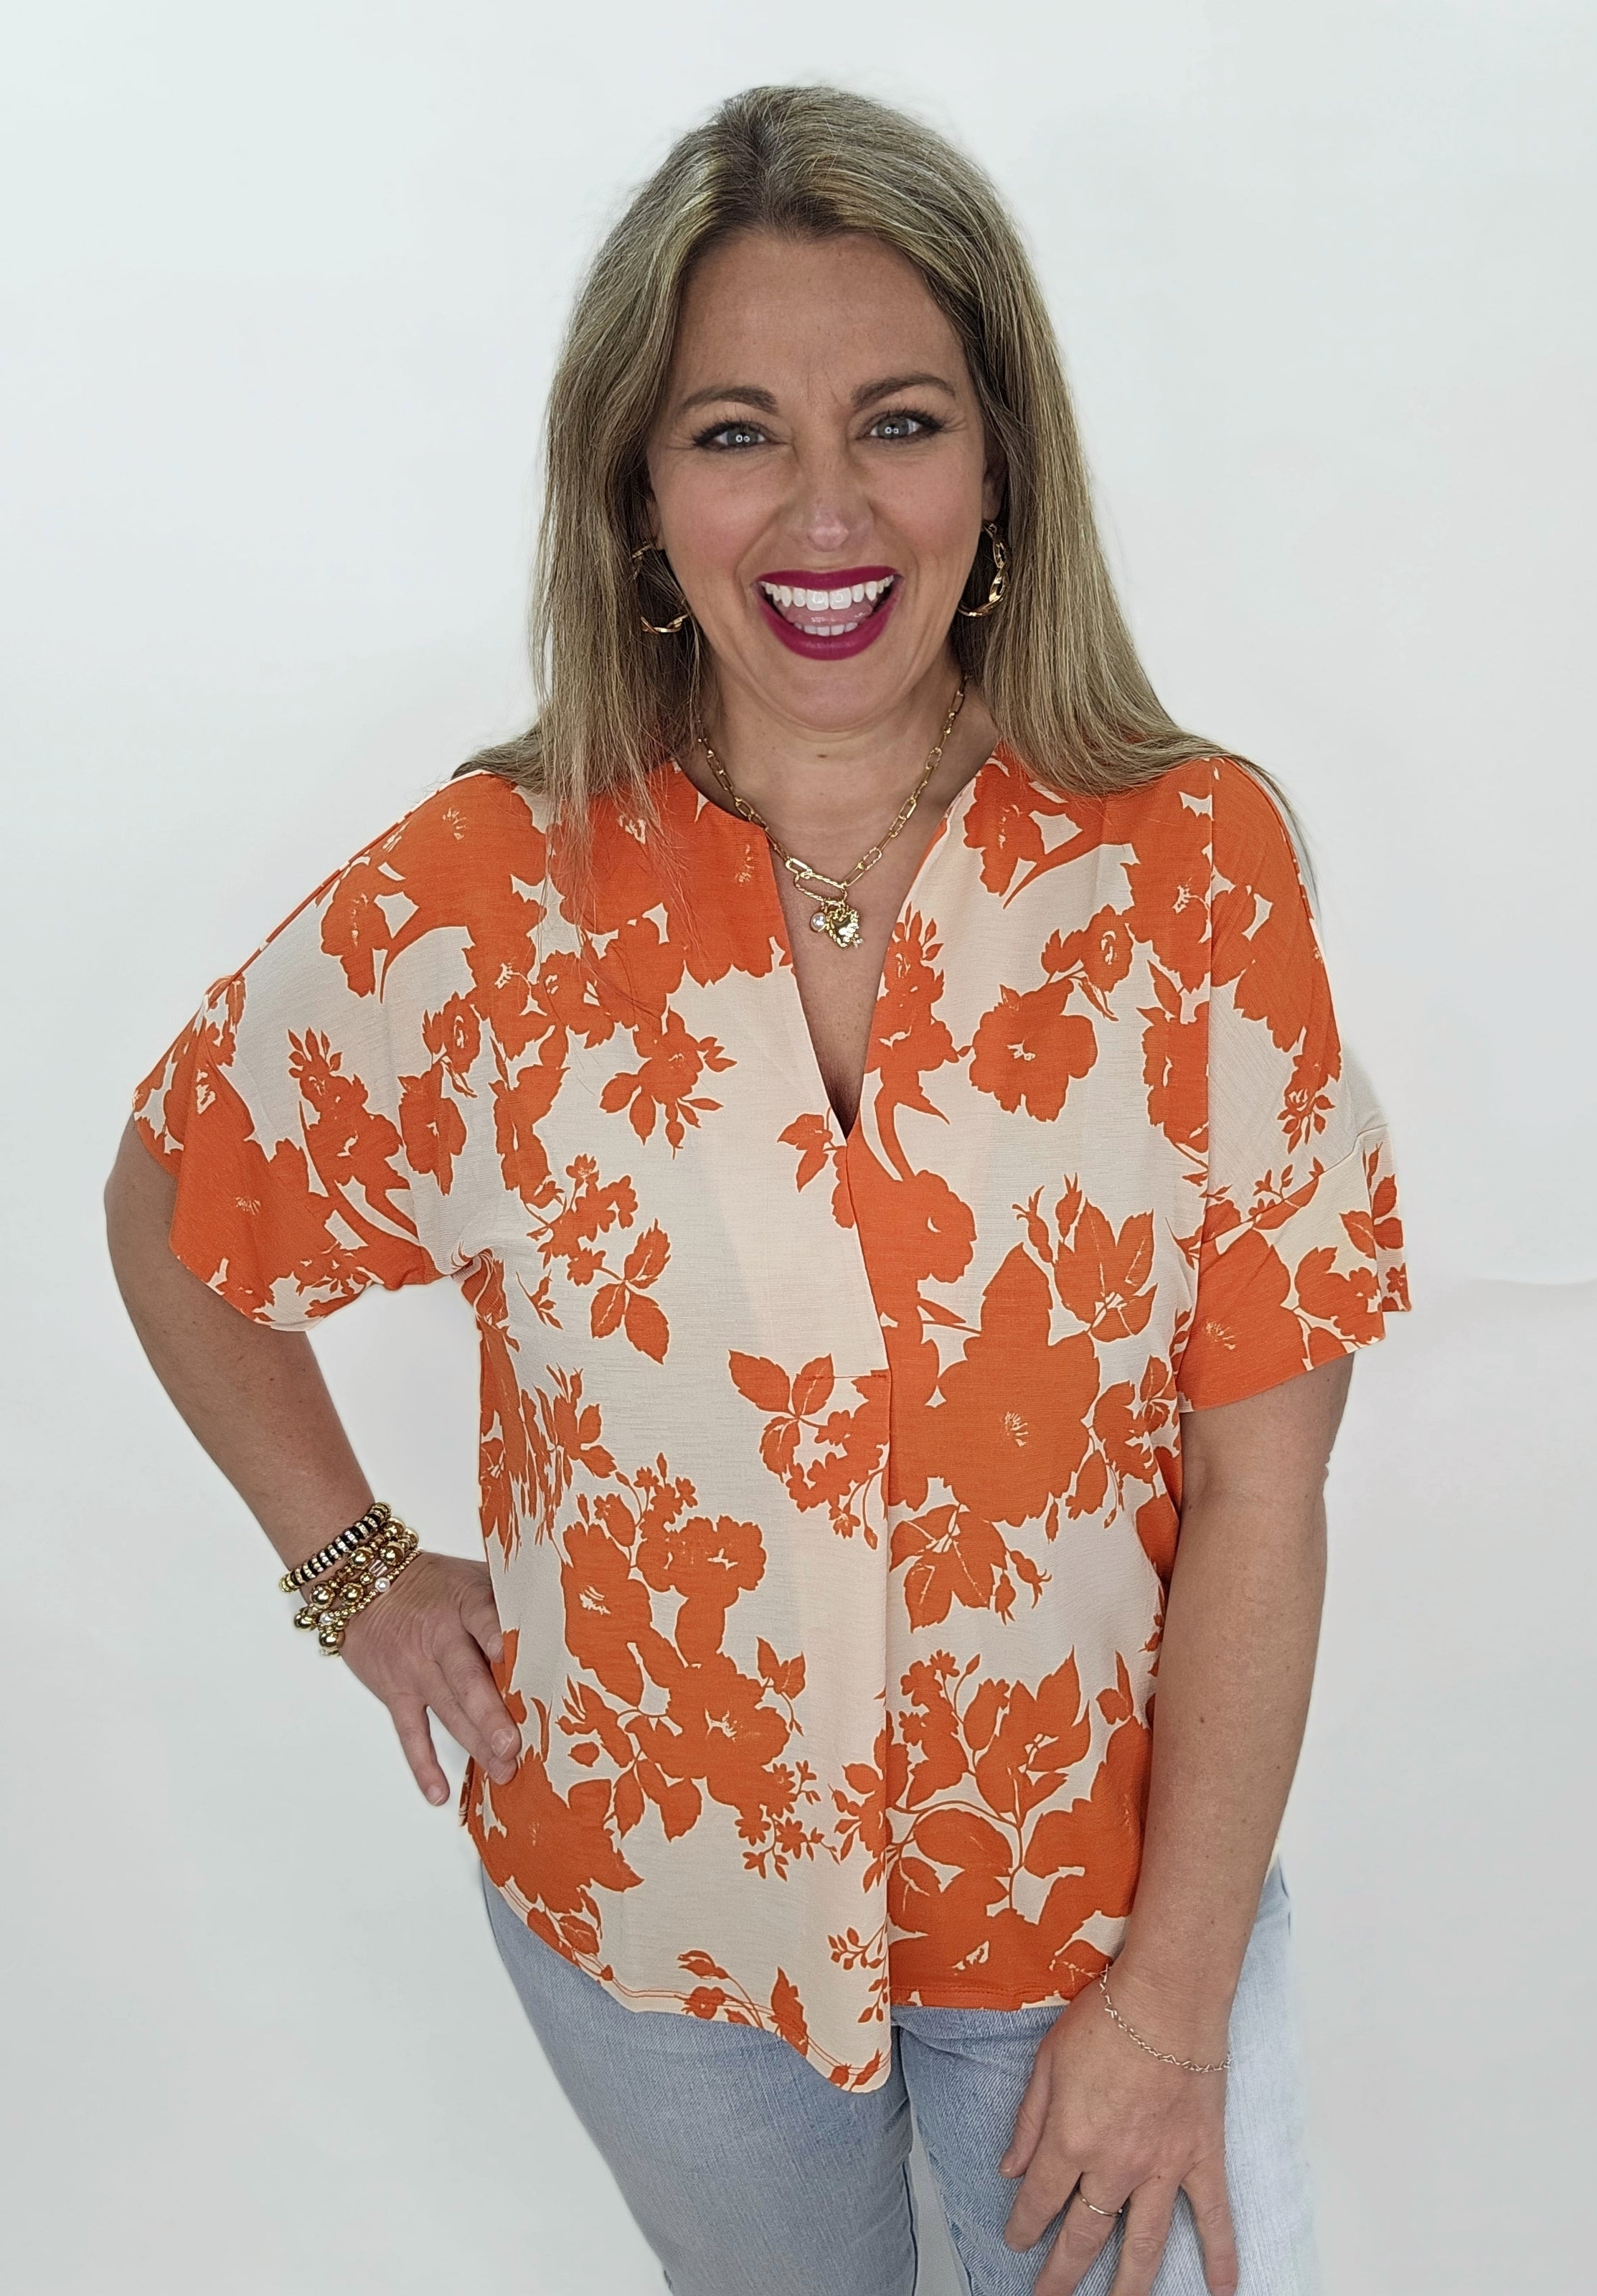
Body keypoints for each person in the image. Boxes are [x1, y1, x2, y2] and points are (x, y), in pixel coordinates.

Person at [105, 83, 1408, 2296]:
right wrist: (355, 1573)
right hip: (656, 1933)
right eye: (736, 433)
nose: (826, 509)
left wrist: (1174, 2002)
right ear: (638, 488)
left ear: (1000, 464)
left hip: (1095, 1922)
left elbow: (1264, 1485)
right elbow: (178, 1203)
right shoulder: (485, 898)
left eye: (899, 421)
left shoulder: (1191, 867)